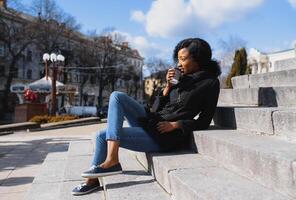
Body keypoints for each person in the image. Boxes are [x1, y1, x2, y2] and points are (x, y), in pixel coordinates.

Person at [71, 38, 221, 195]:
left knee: (102, 136)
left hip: (166, 135)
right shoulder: (180, 78)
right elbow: (155, 108)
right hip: (152, 121)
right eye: (178, 59)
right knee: (116, 96)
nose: (179, 64)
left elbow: (204, 121)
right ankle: (113, 159)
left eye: (183, 59)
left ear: (198, 59)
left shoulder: (210, 83)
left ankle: (93, 180)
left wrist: (177, 125)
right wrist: (168, 87)